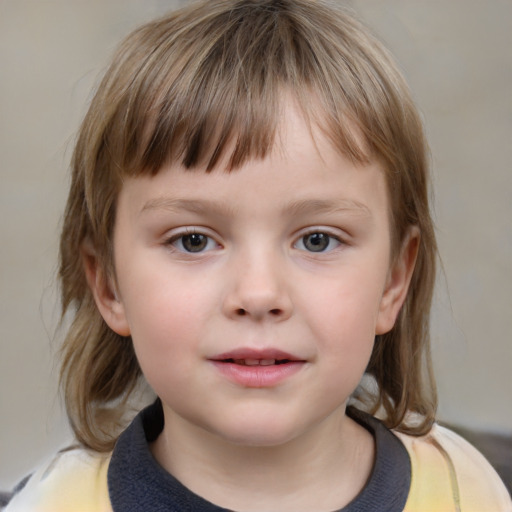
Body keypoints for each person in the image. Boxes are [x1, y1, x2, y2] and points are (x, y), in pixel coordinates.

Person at [5, 0, 511, 510]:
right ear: (108, 283)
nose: (258, 294)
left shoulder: (467, 492)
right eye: (193, 240)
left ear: (394, 280)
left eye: (317, 239)